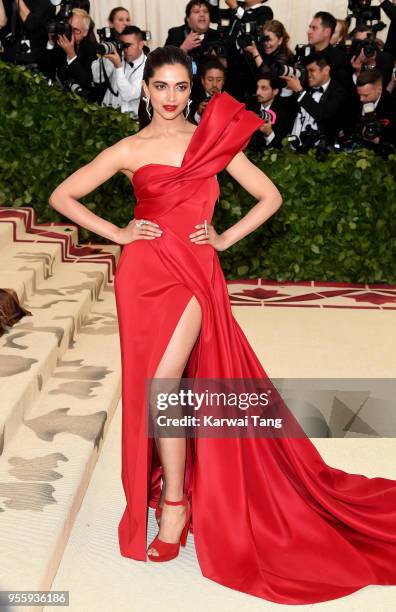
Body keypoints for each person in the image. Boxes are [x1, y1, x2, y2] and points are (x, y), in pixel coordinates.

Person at [48, 45, 396, 605]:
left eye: (179, 87)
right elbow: (62, 195)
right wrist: (118, 234)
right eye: (159, 86)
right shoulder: (130, 148)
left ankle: (178, 508)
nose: (169, 97)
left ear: (193, 90)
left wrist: (225, 239)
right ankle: (175, 492)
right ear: (144, 90)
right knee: (157, 388)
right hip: (141, 276)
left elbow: (269, 196)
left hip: (192, 274)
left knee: (163, 387)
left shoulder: (211, 141)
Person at [284, 52, 349, 146]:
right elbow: (287, 112)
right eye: (307, 71)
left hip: (321, 152)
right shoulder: (303, 86)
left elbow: (323, 115)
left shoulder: (339, 92)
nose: (308, 75)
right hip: (293, 148)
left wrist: (300, 91)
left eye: (312, 70)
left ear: (326, 70)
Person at [91, 25, 147, 116]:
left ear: (141, 45)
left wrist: (118, 67)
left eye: (128, 45)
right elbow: (97, 78)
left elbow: (128, 95)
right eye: (122, 44)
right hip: (106, 115)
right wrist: (109, 54)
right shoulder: (119, 55)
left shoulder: (149, 67)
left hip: (129, 122)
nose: (125, 49)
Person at [191, 58, 226, 123]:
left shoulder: (232, 99)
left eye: (219, 80)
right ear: (202, 80)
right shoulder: (193, 101)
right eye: (210, 80)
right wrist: (198, 113)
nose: (214, 85)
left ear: (223, 81)